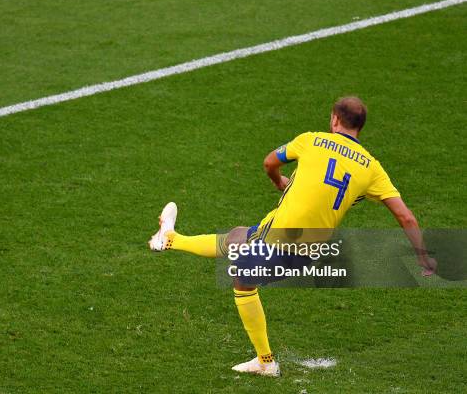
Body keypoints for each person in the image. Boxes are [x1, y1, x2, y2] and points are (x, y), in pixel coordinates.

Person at [148, 96, 436, 376]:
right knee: (238, 237)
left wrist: (279, 183)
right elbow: (405, 216)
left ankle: (265, 362)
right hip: (307, 244)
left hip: (285, 238)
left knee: (243, 280)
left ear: (334, 119)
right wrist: (422, 256)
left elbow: (269, 162)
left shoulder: (311, 139)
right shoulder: (372, 167)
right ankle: (170, 238)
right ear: (360, 126)